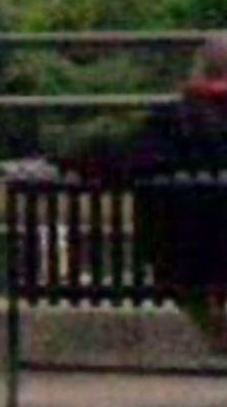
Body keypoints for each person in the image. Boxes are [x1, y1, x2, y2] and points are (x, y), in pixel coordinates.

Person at [54, 31, 227, 352]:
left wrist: (65, 158)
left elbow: (111, 159)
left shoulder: (170, 123)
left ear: (201, 69)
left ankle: (214, 329)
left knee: (184, 270)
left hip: (183, 264)